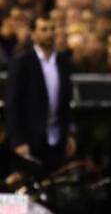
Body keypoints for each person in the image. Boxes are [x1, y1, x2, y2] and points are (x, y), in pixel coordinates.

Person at [5, 15, 76, 178]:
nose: (49, 33)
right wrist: (18, 140)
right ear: (33, 33)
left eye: (52, 29)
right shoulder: (22, 62)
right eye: (44, 29)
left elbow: (66, 102)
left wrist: (70, 132)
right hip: (30, 139)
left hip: (57, 139)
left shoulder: (63, 62)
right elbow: (13, 104)